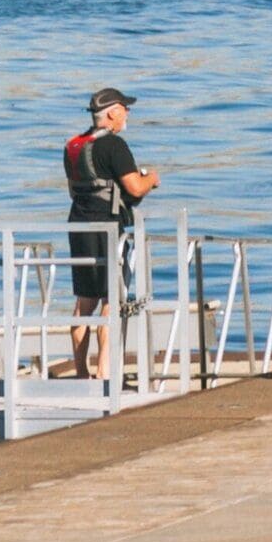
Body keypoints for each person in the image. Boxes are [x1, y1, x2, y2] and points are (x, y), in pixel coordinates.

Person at [63, 86, 158, 382]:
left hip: (78, 226)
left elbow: (75, 188)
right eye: (125, 109)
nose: (128, 114)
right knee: (110, 299)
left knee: (83, 302)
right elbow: (133, 188)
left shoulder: (73, 146)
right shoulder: (115, 146)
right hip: (107, 227)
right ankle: (104, 372)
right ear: (112, 113)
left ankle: (81, 372)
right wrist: (151, 178)